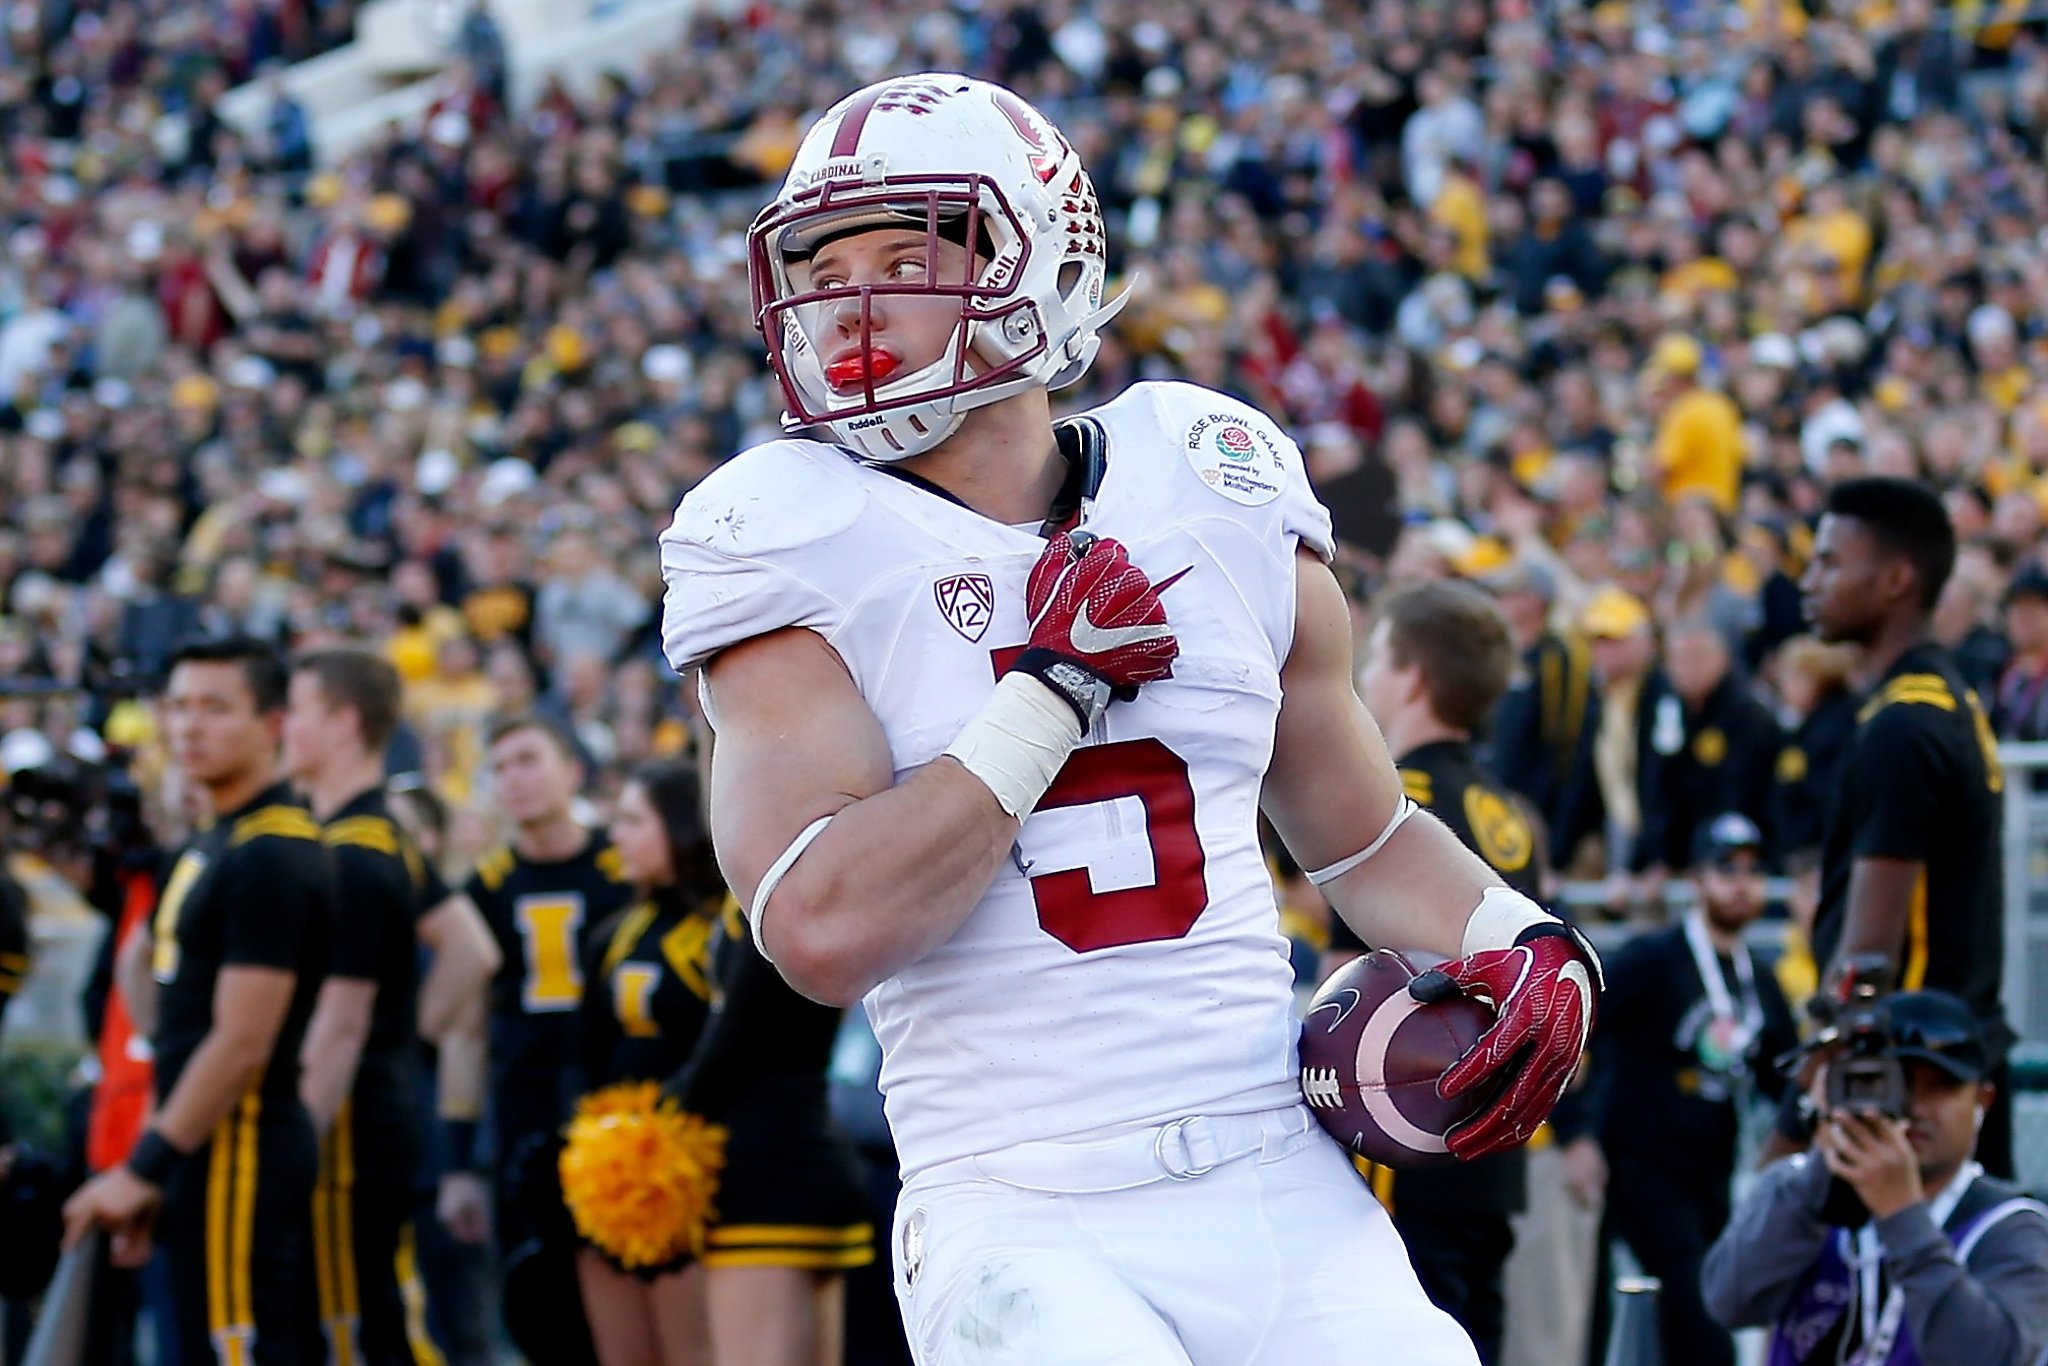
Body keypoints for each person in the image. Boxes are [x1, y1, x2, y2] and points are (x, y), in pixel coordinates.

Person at [657, 74, 1599, 1365]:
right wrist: (1044, 700)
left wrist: (1532, 943)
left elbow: (1365, 839)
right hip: (1016, 1202)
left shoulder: (1207, 474)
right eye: (825, 263)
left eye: (905, 254)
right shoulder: (785, 532)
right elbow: (820, 927)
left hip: (1274, 1163)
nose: (849, 300)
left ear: (1040, 257)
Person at [64, 636, 334, 1365]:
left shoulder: (271, 853)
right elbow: (177, 1033)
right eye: (178, 706)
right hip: (202, 1152)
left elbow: (239, 1044)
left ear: (272, 723)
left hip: (244, 1150)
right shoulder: (211, 842)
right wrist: (161, 1167)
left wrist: (142, 1166)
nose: (188, 726)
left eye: (215, 708)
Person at [570, 759, 875, 1366]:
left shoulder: (756, 908)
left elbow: (731, 1049)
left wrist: (640, 1139)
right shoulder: (810, 890)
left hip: (756, 1182)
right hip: (811, 1158)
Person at [1340, 580, 1546, 1365]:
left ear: (1414, 676)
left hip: (1414, 1126)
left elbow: (1349, 987)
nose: (1367, 679)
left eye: (1381, 659)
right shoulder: (1508, 808)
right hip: (1497, 1134)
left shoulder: (1400, 808)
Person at [283, 647, 501, 1366]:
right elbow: (472, 949)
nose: (284, 724)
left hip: (348, 1119)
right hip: (376, 1101)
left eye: (300, 709)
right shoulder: (377, 831)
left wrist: (385, 1043)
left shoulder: (356, 846)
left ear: (345, 723)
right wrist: (406, 1039)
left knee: (354, 1327)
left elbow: (346, 1020)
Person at [1795, 477, 2011, 1175]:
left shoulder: (1901, 724)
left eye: (1830, 561)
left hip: (1902, 1085)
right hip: (1950, 1063)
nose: (1810, 579)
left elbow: (1870, 957)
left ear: (1894, 579)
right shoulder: (1942, 699)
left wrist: (1809, 1094)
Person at [1701, 991, 2048, 1364]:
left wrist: (1902, 1213)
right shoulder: (1800, 1189)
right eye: (1895, 1083)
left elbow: (1991, 1358)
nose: (1915, 1107)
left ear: (1982, 1102)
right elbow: (1730, 1303)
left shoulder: (2010, 1227)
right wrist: (1827, 1156)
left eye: (1941, 1087)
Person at [1574, 812, 1798, 1366]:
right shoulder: (1657, 958)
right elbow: (1578, 1020)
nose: (1740, 883)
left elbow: (1785, 1079)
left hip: (1714, 1174)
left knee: (1693, 1314)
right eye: (1725, 869)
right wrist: (1577, 1132)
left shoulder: (1761, 981)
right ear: (1697, 880)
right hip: (1643, 1167)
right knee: (1699, 1319)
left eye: (1752, 870)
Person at [456, 713, 633, 1361]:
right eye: (499, 768)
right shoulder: (485, 888)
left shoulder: (626, 869)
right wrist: (458, 1160)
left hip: (621, 1120)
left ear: (574, 772)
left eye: (528, 760)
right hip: (523, 1122)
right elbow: (464, 1033)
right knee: (542, 1322)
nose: (513, 780)